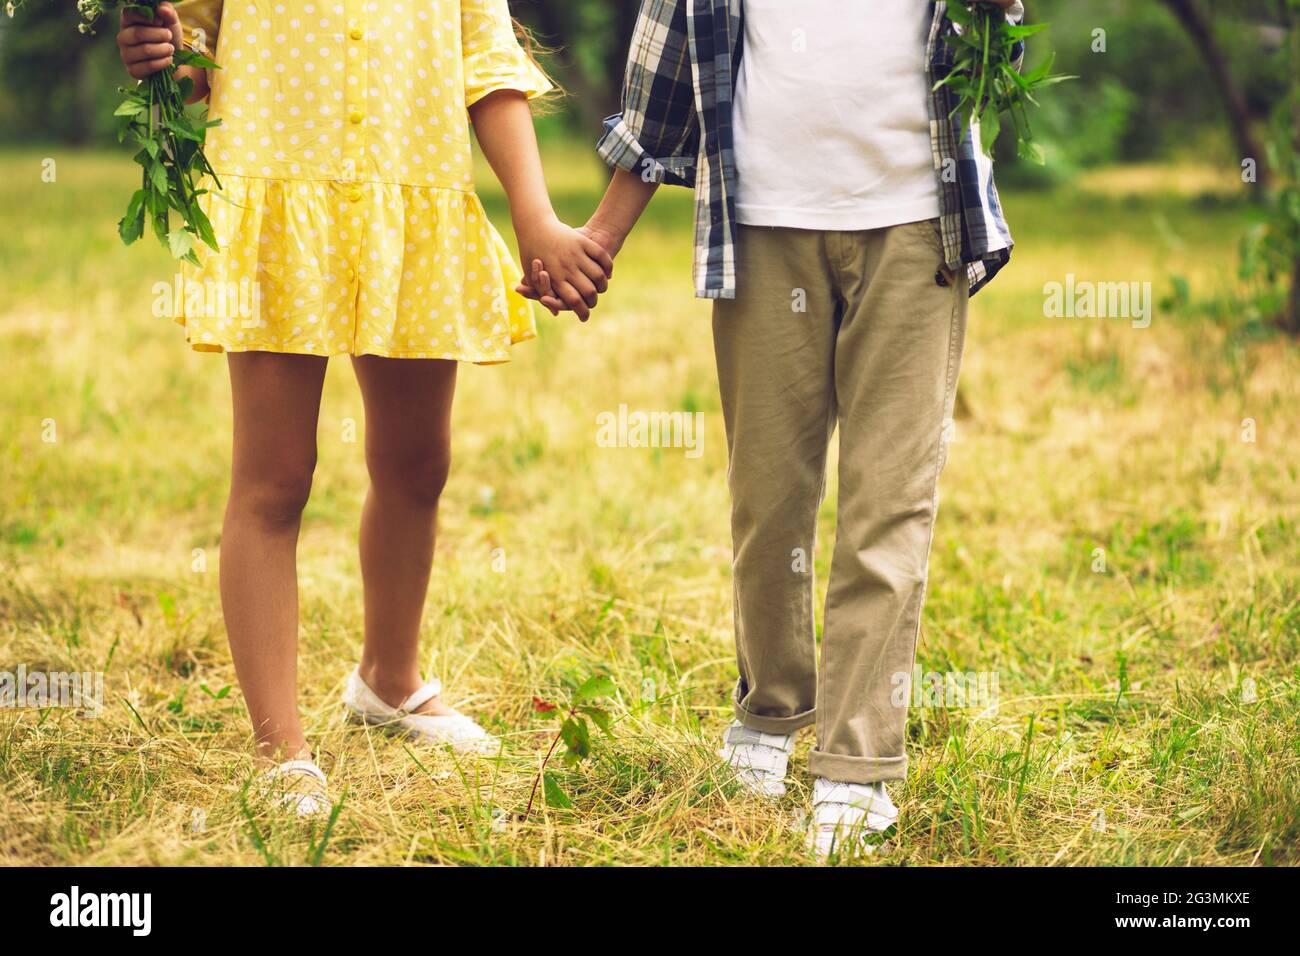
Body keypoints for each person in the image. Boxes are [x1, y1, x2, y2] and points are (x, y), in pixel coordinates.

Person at [522, 0, 1026, 857]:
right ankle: (771, 712)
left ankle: (855, 765)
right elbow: (665, 83)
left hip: (916, 228)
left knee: (889, 507)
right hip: (761, 231)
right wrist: (597, 237)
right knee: (767, 499)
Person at [115, 0, 613, 815]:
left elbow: (487, 63)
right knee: (275, 478)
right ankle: (282, 754)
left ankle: (390, 680)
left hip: (410, 211)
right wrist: (156, 52)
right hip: (280, 214)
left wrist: (535, 216)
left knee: (419, 465)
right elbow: (192, 54)